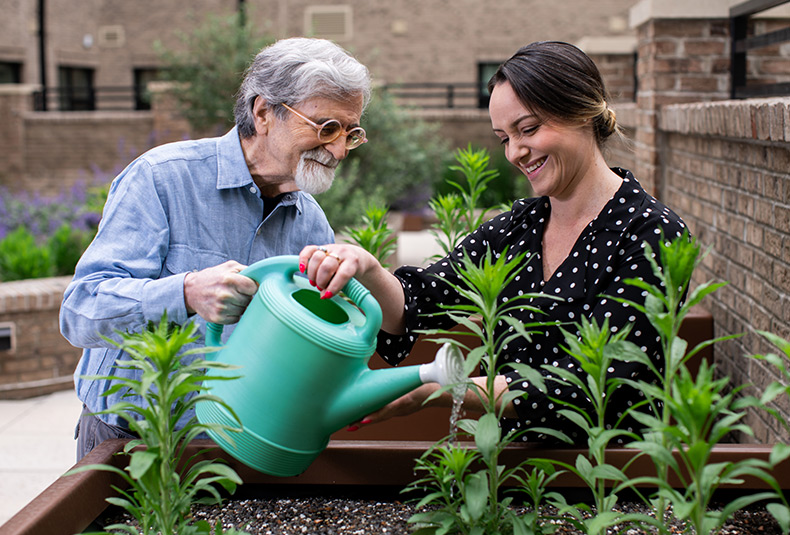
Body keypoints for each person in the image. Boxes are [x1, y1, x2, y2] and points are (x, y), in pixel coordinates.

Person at [299, 41, 688, 445]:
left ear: (583, 113)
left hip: (614, 483)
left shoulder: (650, 232)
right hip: (513, 477)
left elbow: (603, 384)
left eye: (529, 129)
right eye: (504, 138)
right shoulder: (517, 230)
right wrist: (367, 267)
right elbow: (419, 305)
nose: (516, 152)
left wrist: (436, 390)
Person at [61, 37, 372, 460]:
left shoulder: (311, 220)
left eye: (349, 133)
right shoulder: (163, 178)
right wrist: (186, 292)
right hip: (128, 437)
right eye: (325, 127)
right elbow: (80, 311)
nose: (338, 149)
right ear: (263, 112)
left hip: (235, 444)